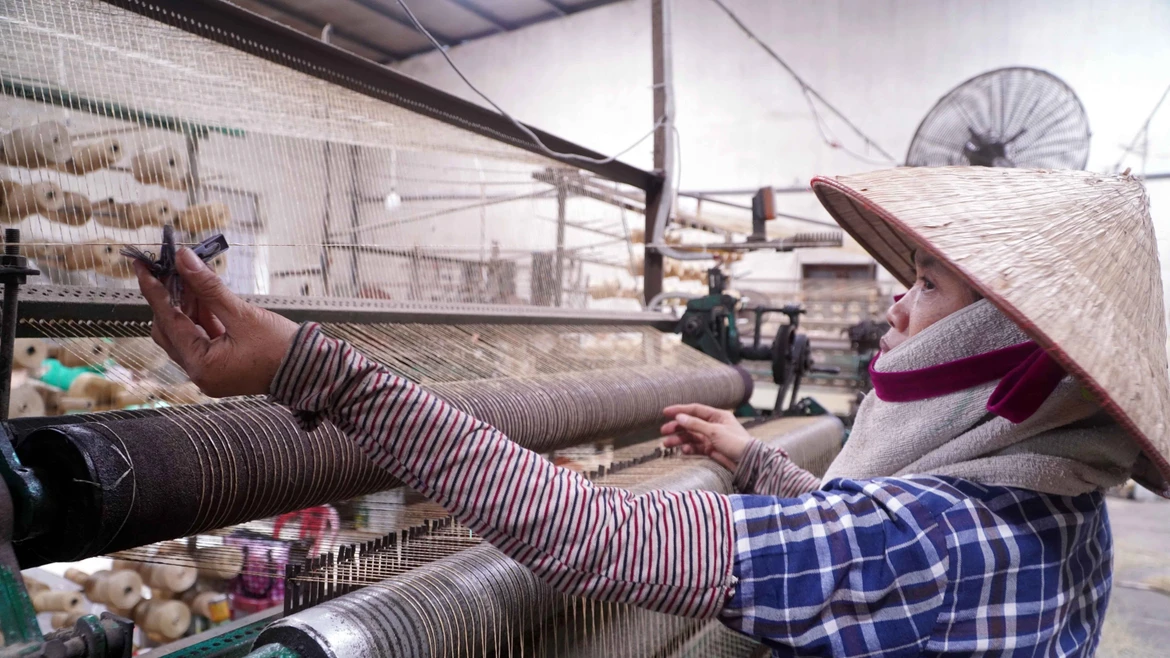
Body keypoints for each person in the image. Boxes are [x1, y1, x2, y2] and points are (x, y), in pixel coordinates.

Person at [137, 167, 1170, 657]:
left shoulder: (935, 548)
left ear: (1006, 357)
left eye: (930, 285)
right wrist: (754, 460)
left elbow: (596, 535)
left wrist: (322, 372)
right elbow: (880, 555)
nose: (896, 302)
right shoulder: (1055, 509)